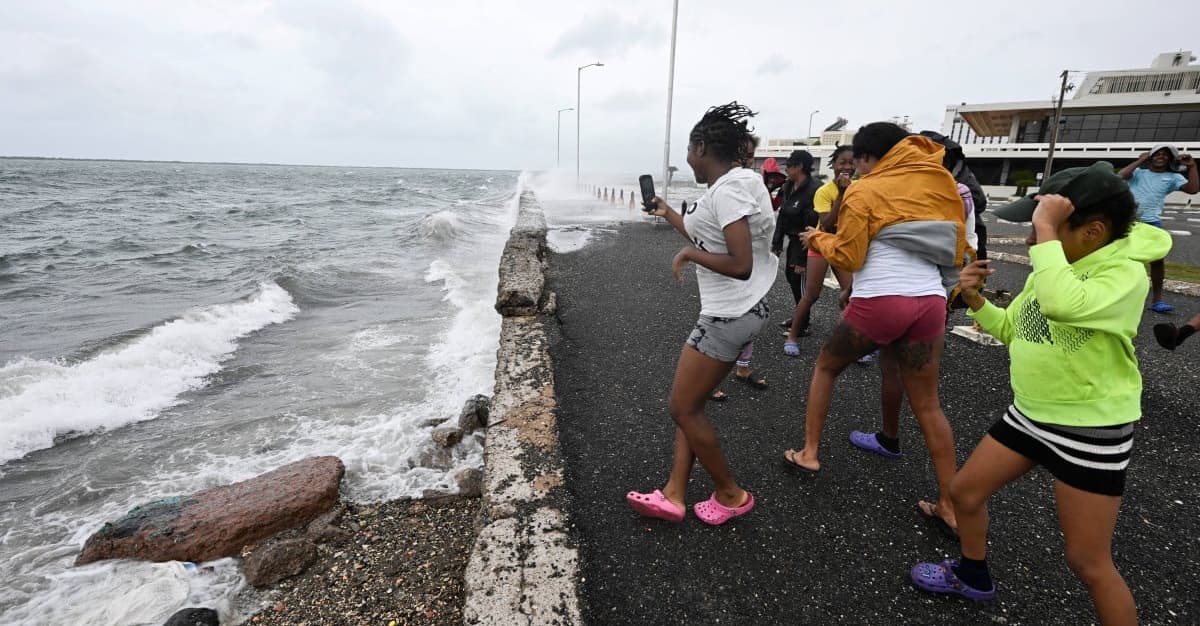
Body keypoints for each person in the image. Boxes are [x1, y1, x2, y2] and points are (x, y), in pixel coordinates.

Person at [912, 163, 1171, 626]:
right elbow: (1018, 330)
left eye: (1044, 229)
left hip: (1090, 431)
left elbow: (1061, 305)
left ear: (1093, 231)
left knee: (1088, 562)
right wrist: (976, 302)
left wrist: (1045, 235)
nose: (1035, 241)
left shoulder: (1125, 277)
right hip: (1030, 414)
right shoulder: (1055, 268)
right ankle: (973, 576)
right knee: (965, 494)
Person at [782, 123, 966, 538]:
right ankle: (949, 505)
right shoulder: (939, 186)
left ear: (866, 158)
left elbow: (850, 252)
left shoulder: (866, 188)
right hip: (929, 303)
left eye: (859, 161)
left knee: (827, 366)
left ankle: (810, 452)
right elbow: (954, 247)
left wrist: (818, 238)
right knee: (929, 405)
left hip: (883, 301)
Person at [627, 102, 776, 525]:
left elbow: (739, 261)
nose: (687, 160)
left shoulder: (728, 191)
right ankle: (674, 493)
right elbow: (713, 235)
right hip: (745, 306)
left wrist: (689, 253)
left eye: (689, 151)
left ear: (701, 146)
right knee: (691, 405)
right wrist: (669, 214)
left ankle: (731, 494)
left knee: (682, 408)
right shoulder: (739, 184)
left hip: (729, 313)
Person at [782, 146, 855, 355]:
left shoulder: (861, 188)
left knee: (853, 295)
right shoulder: (824, 191)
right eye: (842, 162)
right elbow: (829, 224)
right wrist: (841, 193)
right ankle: (793, 336)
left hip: (845, 247)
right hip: (822, 244)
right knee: (811, 294)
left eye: (852, 162)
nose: (847, 167)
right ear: (833, 165)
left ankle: (856, 342)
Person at [1118, 145, 1198, 313]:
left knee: (1158, 261)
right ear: (1151, 157)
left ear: (1170, 160)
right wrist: (1141, 159)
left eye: (1165, 155)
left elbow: (1192, 189)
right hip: (1128, 221)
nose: (1161, 157)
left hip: (1152, 223)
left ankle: (1157, 301)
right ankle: (1119, 295)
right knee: (1121, 258)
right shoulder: (1139, 173)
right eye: (1157, 154)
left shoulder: (1173, 177)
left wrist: (1192, 166)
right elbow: (1121, 176)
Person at [772, 150, 821, 320]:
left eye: (789, 165)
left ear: (799, 166)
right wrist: (777, 242)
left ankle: (802, 322)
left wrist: (802, 259)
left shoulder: (815, 189)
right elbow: (783, 214)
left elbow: (812, 225)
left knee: (800, 281)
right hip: (792, 241)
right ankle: (799, 316)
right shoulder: (788, 186)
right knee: (791, 277)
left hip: (807, 243)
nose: (786, 169)